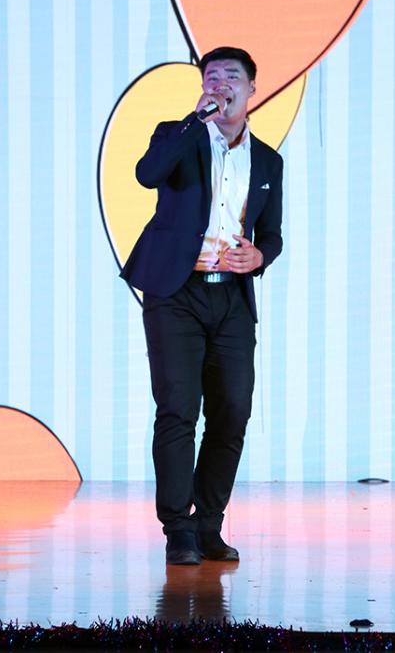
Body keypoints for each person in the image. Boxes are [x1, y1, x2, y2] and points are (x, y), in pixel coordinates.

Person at [121, 47, 283, 565]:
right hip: (175, 293)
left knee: (233, 410)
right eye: (211, 77)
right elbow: (147, 174)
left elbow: (272, 234)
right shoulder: (178, 135)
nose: (220, 84)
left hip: (232, 297)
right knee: (178, 408)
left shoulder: (268, 160)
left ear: (251, 89)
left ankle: (208, 523)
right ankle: (178, 529)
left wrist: (260, 256)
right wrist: (196, 120)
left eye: (231, 76)